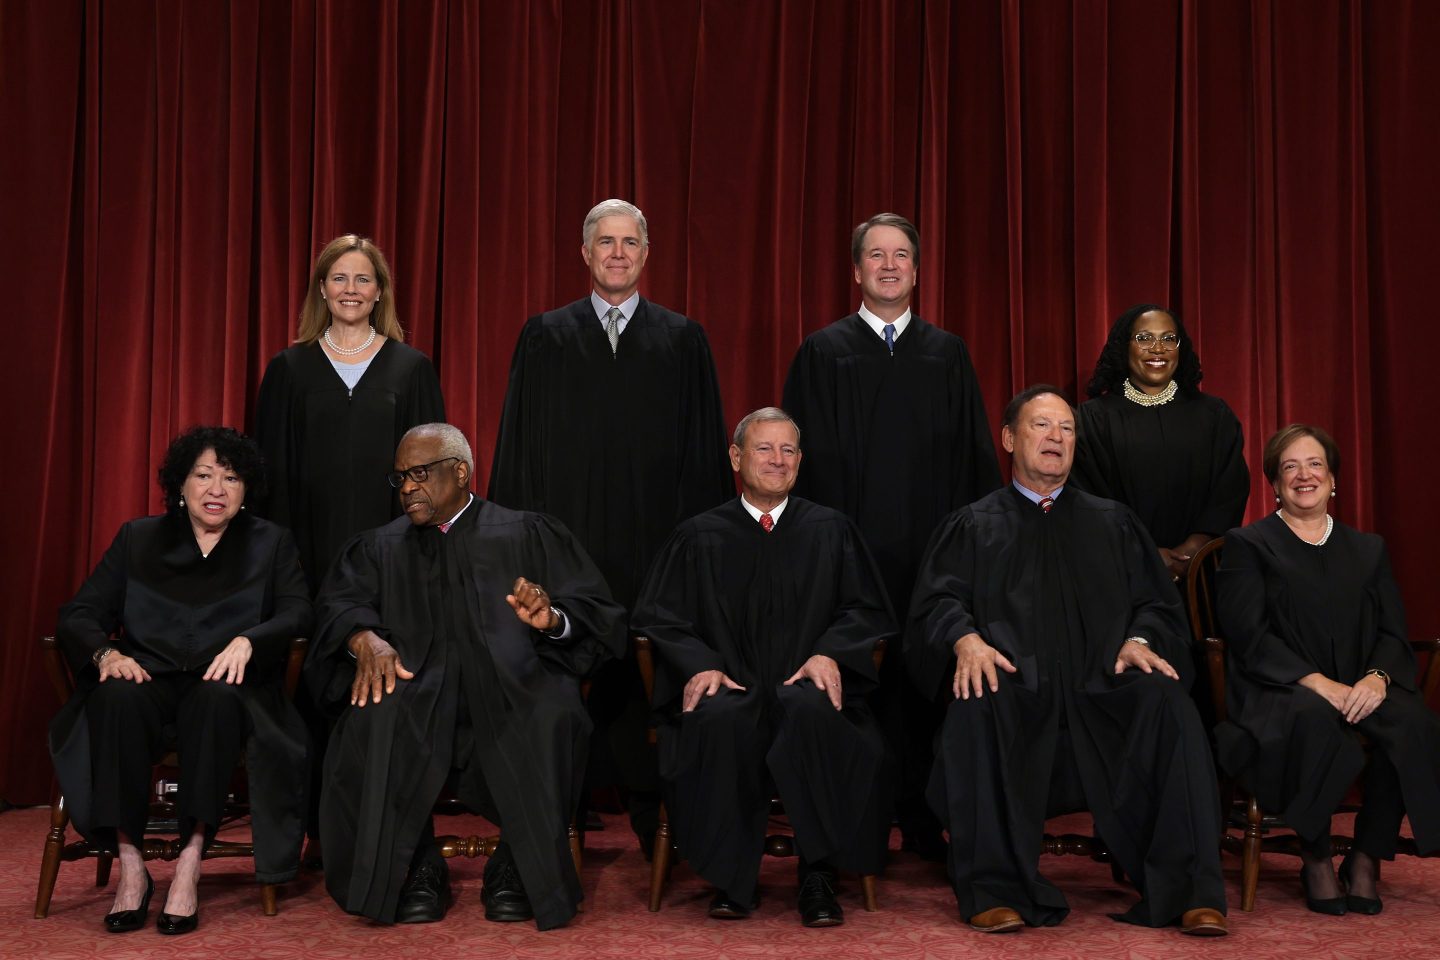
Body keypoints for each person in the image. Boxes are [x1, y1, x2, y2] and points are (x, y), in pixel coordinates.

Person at [910, 385, 1228, 936]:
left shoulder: (1114, 523)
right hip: (1015, 687)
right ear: (1010, 439)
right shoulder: (974, 524)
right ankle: (994, 887)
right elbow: (936, 602)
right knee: (977, 699)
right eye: (1041, 426)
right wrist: (965, 639)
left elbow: (1157, 604)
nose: (1056, 438)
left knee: (1168, 702)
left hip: (1103, 685)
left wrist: (1143, 641)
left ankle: (1189, 891)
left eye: (1066, 429)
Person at [309, 423, 625, 928]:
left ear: (460, 472)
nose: (408, 488)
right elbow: (339, 606)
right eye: (399, 479)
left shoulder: (527, 532)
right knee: (371, 718)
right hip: (415, 683)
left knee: (553, 715)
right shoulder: (378, 547)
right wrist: (362, 637)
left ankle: (519, 866)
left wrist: (552, 620)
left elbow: (595, 613)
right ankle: (413, 867)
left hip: (512, 681)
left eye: (419, 474)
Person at [488, 199, 733, 850]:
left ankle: (654, 804)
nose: (618, 253)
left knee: (650, 661)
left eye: (630, 242)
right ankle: (563, 805)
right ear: (586, 253)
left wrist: (698, 553)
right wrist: (518, 545)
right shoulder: (545, 335)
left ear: (646, 254)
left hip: (656, 545)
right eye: (606, 242)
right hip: (569, 550)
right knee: (567, 661)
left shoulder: (683, 340)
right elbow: (519, 449)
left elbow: (703, 458)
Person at [782, 212, 1001, 858]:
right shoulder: (822, 353)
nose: (887, 265)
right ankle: (858, 823)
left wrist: (973, 554)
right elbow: (796, 464)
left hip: (931, 558)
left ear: (915, 269)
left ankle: (927, 816)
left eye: (900, 255)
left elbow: (974, 461)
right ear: (855, 270)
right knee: (856, 684)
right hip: (848, 556)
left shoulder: (948, 354)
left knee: (925, 682)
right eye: (874, 255)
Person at [633, 408, 895, 926]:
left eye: (788, 451)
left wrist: (830, 654)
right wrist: (700, 665)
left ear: (800, 461)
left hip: (806, 684)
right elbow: (659, 619)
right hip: (732, 684)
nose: (777, 460)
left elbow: (868, 610)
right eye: (764, 449)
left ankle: (819, 875)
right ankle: (732, 878)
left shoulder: (831, 530)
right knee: (720, 719)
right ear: (735, 457)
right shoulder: (698, 535)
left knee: (813, 712)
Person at [49, 426, 312, 935]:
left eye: (231, 478)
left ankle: (190, 861)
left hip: (224, 684)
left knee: (214, 702)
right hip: (149, 677)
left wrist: (251, 639)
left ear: (245, 489)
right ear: (181, 484)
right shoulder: (138, 537)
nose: (217, 489)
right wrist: (105, 652)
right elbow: (78, 613)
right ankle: (132, 867)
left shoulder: (269, 541)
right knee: (116, 698)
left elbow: (299, 611)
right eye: (204, 475)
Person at [1216, 424, 1440, 915]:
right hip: (1281, 685)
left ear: (1333, 478)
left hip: (1359, 681)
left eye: (1314, 464)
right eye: (1290, 467)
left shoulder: (1368, 549)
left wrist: (1376, 678)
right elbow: (1248, 634)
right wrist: (1318, 683)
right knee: (1314, 721)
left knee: (1412, 724)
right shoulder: (1248, 544)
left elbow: (1391, 630)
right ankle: (1315, 854)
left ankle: (1364, 856)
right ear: (1274, 482)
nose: (1304, 475)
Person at [255, 233, 445, 593]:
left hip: (394, 547)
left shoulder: (411, 369)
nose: (351, 289)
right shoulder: (289, 369)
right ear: (323, 289)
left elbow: (432, 470)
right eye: (339, 278)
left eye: (363, 279)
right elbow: (271, 472)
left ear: (379, 291)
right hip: (306, 549)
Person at [1071, 303, 1248, 582]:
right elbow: (1087, 497)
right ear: (1124, 346)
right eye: (1144, 338)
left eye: (1168, 338)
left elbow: (1229, 490)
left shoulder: (1214, 415)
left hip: (1199, 574)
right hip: (1120, 572)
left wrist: (1192, 550)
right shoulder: (1093, 419)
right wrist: (1146, 553)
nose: (1158, 348)